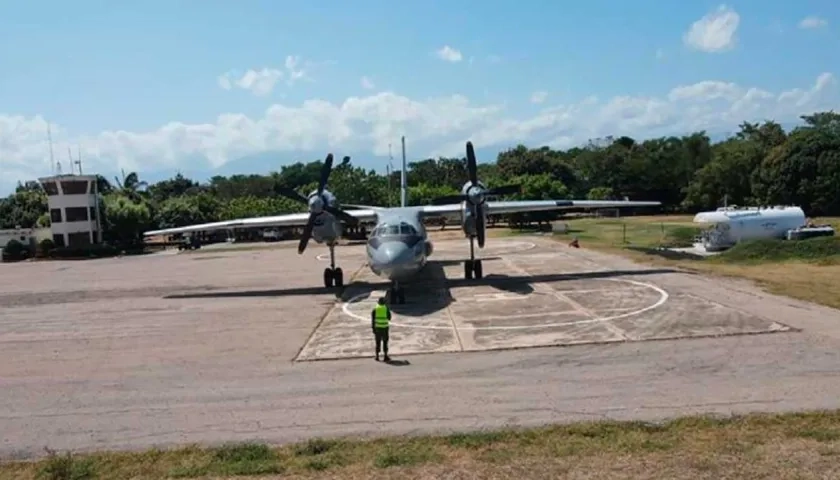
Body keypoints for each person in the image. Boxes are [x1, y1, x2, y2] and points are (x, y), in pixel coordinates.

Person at [371, 296, 392, 362]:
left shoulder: (375, 309)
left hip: (377, 328)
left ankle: (377, 356)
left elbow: (373, 320)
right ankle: (385, 356)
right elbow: (389, 318)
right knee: (385, 342)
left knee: (377, 342)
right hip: (385, 328)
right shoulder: (386, 309)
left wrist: (373, 328)